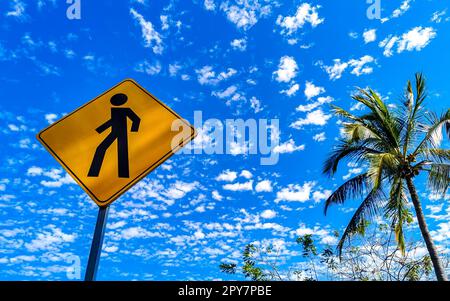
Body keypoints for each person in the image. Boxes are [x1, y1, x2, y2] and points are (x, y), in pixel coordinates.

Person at [88, 93, 140, 178]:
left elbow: (136, 119)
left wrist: (133, 131)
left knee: (119, 152)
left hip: (121, 132)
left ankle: (122, 173)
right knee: (103, 149)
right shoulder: (114, 110)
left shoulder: (126, 110)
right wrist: (100, 129)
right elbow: (112, 121)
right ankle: (94, 172)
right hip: (115, 131)